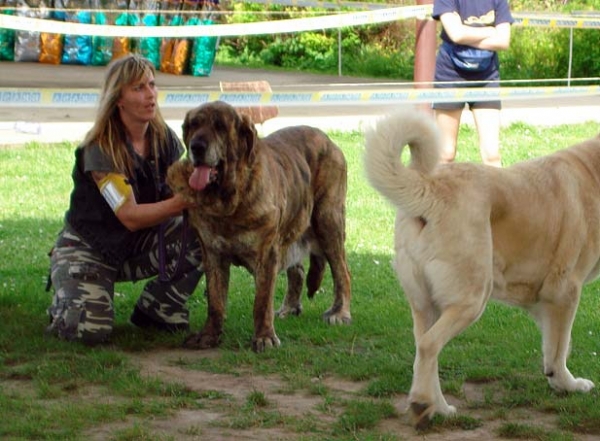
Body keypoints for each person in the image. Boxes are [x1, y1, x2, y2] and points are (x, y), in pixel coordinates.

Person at [46, 54, 203, 345]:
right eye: (138, 88)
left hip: (134, 244)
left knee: (200, 233)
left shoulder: (165, 139)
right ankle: (65, 298)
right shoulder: (100, 148)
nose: (150, 94)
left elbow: (176, 191)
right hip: (89, 247)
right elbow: (129, 215)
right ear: (118, 98)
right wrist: (182, 202)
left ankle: (159, 310)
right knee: (89, 333)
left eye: (152, 85)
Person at [432, 0, 513, 167]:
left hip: (486, 76)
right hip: (450, 74)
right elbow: (456, 34)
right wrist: (491, 30)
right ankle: (442, 193)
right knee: (445, 154)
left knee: (492, 155)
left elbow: (503, 41)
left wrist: (465, 36)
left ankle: (496, 193)